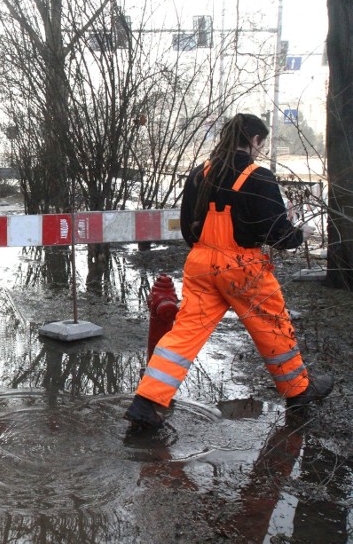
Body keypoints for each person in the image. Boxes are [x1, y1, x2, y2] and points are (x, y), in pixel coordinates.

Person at [124, 113, 333, 429]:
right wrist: (299, 235)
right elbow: (280, 236)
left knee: (184, 333)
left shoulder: (199, 174)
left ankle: (146, 402)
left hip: (200, 264)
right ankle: (298, 393)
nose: (261, 150)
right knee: (272, 327)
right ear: (255, 141)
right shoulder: (259, 177)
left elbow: (187, 230)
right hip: (242, 269)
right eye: (262, 144)